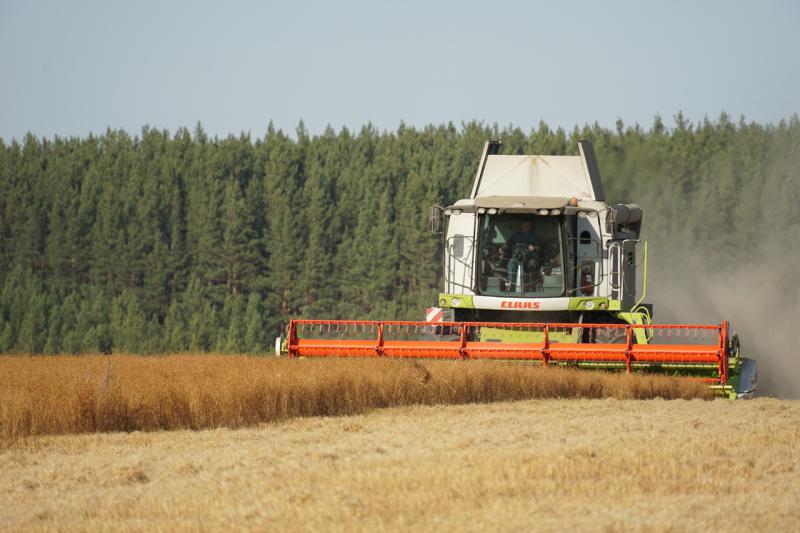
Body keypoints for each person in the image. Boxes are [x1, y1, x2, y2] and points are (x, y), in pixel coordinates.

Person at [506, 220, 539, 290]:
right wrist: (502, 248)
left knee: (532, 264)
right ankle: (510, 286)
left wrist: (533, 248)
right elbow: (508, 245)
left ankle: (531, 287)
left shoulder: (534, 236)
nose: (528, 228)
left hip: (529, 259)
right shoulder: (515, 236)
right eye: (526, 226)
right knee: (511, 262)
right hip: (517, 258)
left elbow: (539, 248)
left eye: (529, 226)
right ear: (522, 226)